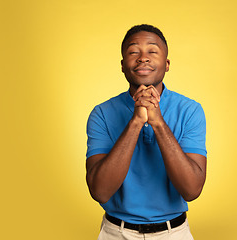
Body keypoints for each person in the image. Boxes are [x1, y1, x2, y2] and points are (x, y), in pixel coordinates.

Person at [86, 24, 207, 239]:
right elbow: (100, 191)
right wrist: (135, 122)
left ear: (167, 64)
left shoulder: (190, 110)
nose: (143, 58)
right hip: (116, 232)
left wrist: (158, 123)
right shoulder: (102, 113)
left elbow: (192, 190)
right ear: (123, 65)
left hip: (174, 233)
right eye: (134, 52)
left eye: (152, 51)